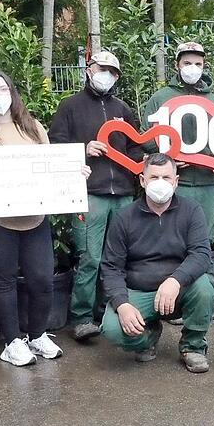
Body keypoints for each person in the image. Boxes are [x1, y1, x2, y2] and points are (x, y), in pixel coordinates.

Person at [0, 71, 83, 366]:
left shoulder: (33, 127)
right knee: (4, 281)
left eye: (2, 89)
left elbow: (53, 167)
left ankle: (37, 335)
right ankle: (12, 342)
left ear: (12, 92)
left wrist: (73, 174)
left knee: (42, 279)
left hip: (34, 217)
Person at [49, 51, 142, 341]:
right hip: (89, 194)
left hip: (123, 194)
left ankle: (109, 312)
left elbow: (135, 148)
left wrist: (138, 169)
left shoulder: (123, 109)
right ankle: (82, 318)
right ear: (89, 70)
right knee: (89, 257)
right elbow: (55, 146)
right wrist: (83, 150)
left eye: (113, 72)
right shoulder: (70, 106)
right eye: (102, 69)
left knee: (119, 257)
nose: (107, 76)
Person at [100, 154, 214, 373]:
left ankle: (193, 346)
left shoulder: (191, 210)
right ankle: (148, 336)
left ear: (176, 181)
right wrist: (122, 304)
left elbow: (201, 254)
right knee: (112, 329)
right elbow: (111, 267)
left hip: (180, 290)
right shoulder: (124, 217)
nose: (160, 183)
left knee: (205, 288)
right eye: (154, 177)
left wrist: (175, 280)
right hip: (139, 290)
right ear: (142, 180)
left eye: (166, 177)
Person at [142, 42, 214, 321]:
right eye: (187, 63)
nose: (193, 68)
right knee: (172, 240)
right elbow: (147, 138)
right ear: (177, 65)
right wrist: (166, 157)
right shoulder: (161, 98)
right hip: (172, 185)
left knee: (205, 240)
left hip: (207, 183)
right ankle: (175, 303)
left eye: (198, 64)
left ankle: (206, 300)